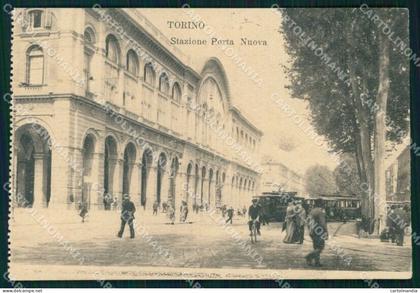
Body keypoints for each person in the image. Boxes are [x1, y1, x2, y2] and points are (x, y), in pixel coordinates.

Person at [305, 198, 328, 267]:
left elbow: (307, 221)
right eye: (323, 203)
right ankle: (309, 256)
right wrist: (325, 232)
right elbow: (322, 223)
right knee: (320, 247)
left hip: (312, 231)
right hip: (319, 231)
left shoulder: (312, 211)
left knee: (316, 247)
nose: (324, 204)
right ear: (320, 204)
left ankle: (317, 262)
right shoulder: (320, 212)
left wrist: (310, 229)